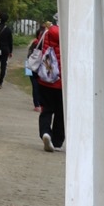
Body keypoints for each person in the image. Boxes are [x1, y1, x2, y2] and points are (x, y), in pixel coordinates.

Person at [38, 16, 64, 152]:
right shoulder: (69, 34)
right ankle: (57, 142)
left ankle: (45, 133)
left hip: (46, 77)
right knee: (61, 112)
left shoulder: (47, 32)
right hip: (62, 82)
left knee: (46, 109)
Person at [25, 24, 45, 111]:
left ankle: (37, 105)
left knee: (35, 86)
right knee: (37, 86)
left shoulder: (34, 42)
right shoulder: (39, 43)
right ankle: (38, 104)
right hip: (36, 67)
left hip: (30, 66)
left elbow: (28, 56)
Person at [0, 13, 13, 87]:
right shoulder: (8, 29)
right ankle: (0, 83)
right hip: (5, 49)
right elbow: (10, 41)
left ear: (0, 18)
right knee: (3, 65)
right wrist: (10, 51)